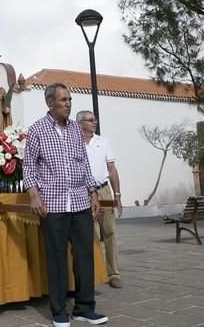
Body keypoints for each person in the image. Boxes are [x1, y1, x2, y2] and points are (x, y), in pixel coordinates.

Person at [23, 84, 107, 327]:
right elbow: (28, 166)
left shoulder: (75, 130)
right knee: (57, 258)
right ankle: (59, 311)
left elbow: (83, 164)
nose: (68, 103)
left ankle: (84, 308)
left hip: (80, 201)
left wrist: (92, 192)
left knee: (84, 256)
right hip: (53, 204)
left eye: (70, 99)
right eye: (63, 100)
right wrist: (33, 194)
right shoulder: (37, 130)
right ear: (50, 103)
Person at [77, 110, 123, 290]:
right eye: (90, 120)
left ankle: (114, 273)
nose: (94, 122)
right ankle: (95, 273)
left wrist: (117, 194)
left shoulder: (103, 142)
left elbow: (111, 169)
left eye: (94, 119)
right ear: (80, 123)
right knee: (90, 235)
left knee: (110, 232)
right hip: (83, 193)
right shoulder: (74, 143)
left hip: (104, 191)